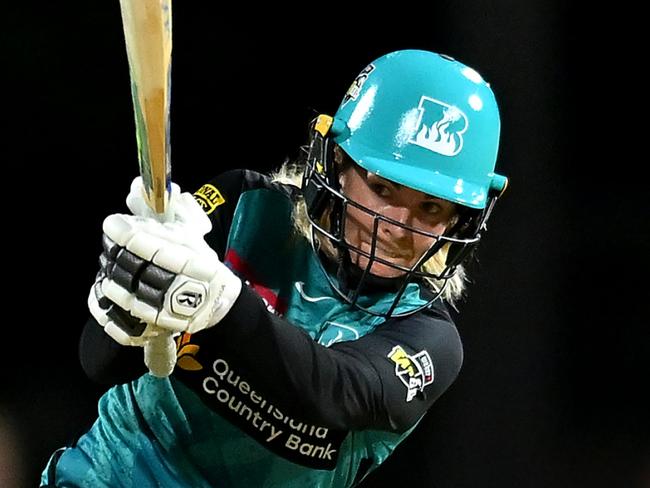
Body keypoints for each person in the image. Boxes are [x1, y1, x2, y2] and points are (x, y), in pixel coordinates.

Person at [41, 49, 508, 487]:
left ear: (461, 220)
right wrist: (129, 297)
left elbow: (337, 392)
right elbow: (98, 362)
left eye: (430, 208)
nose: (398, 227)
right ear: (336, 164)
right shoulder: (245, 207)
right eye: (382, 189)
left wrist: (221, 302)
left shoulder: (429, 339)